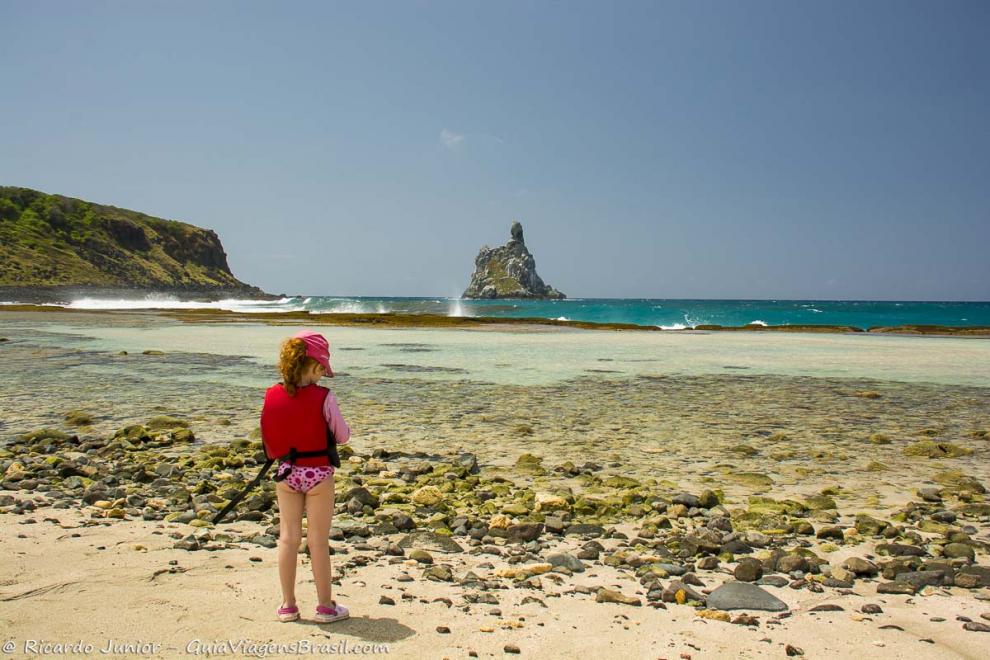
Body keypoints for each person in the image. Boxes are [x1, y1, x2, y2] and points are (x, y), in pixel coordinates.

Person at [260, 330, 351, 624]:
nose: (323, 375)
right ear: (312, 366)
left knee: (287, 539)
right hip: (318, 474)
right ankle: (325, 606)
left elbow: (269, 436)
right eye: (322, 369)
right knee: (318, 541)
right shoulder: (324, 397)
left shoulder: (271, 394)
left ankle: (288, 605)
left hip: (286, 474)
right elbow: (343, 435)